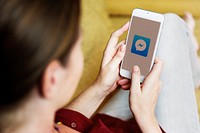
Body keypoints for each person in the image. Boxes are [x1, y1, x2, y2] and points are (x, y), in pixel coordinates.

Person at [0, 0, 199, 133]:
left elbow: (61, 124)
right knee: (173, 26)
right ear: (52, 79)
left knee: (169, 27)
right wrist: (147, 119)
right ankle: (193, 71)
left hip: (107, 126)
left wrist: (100, 87)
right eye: (78, 46)